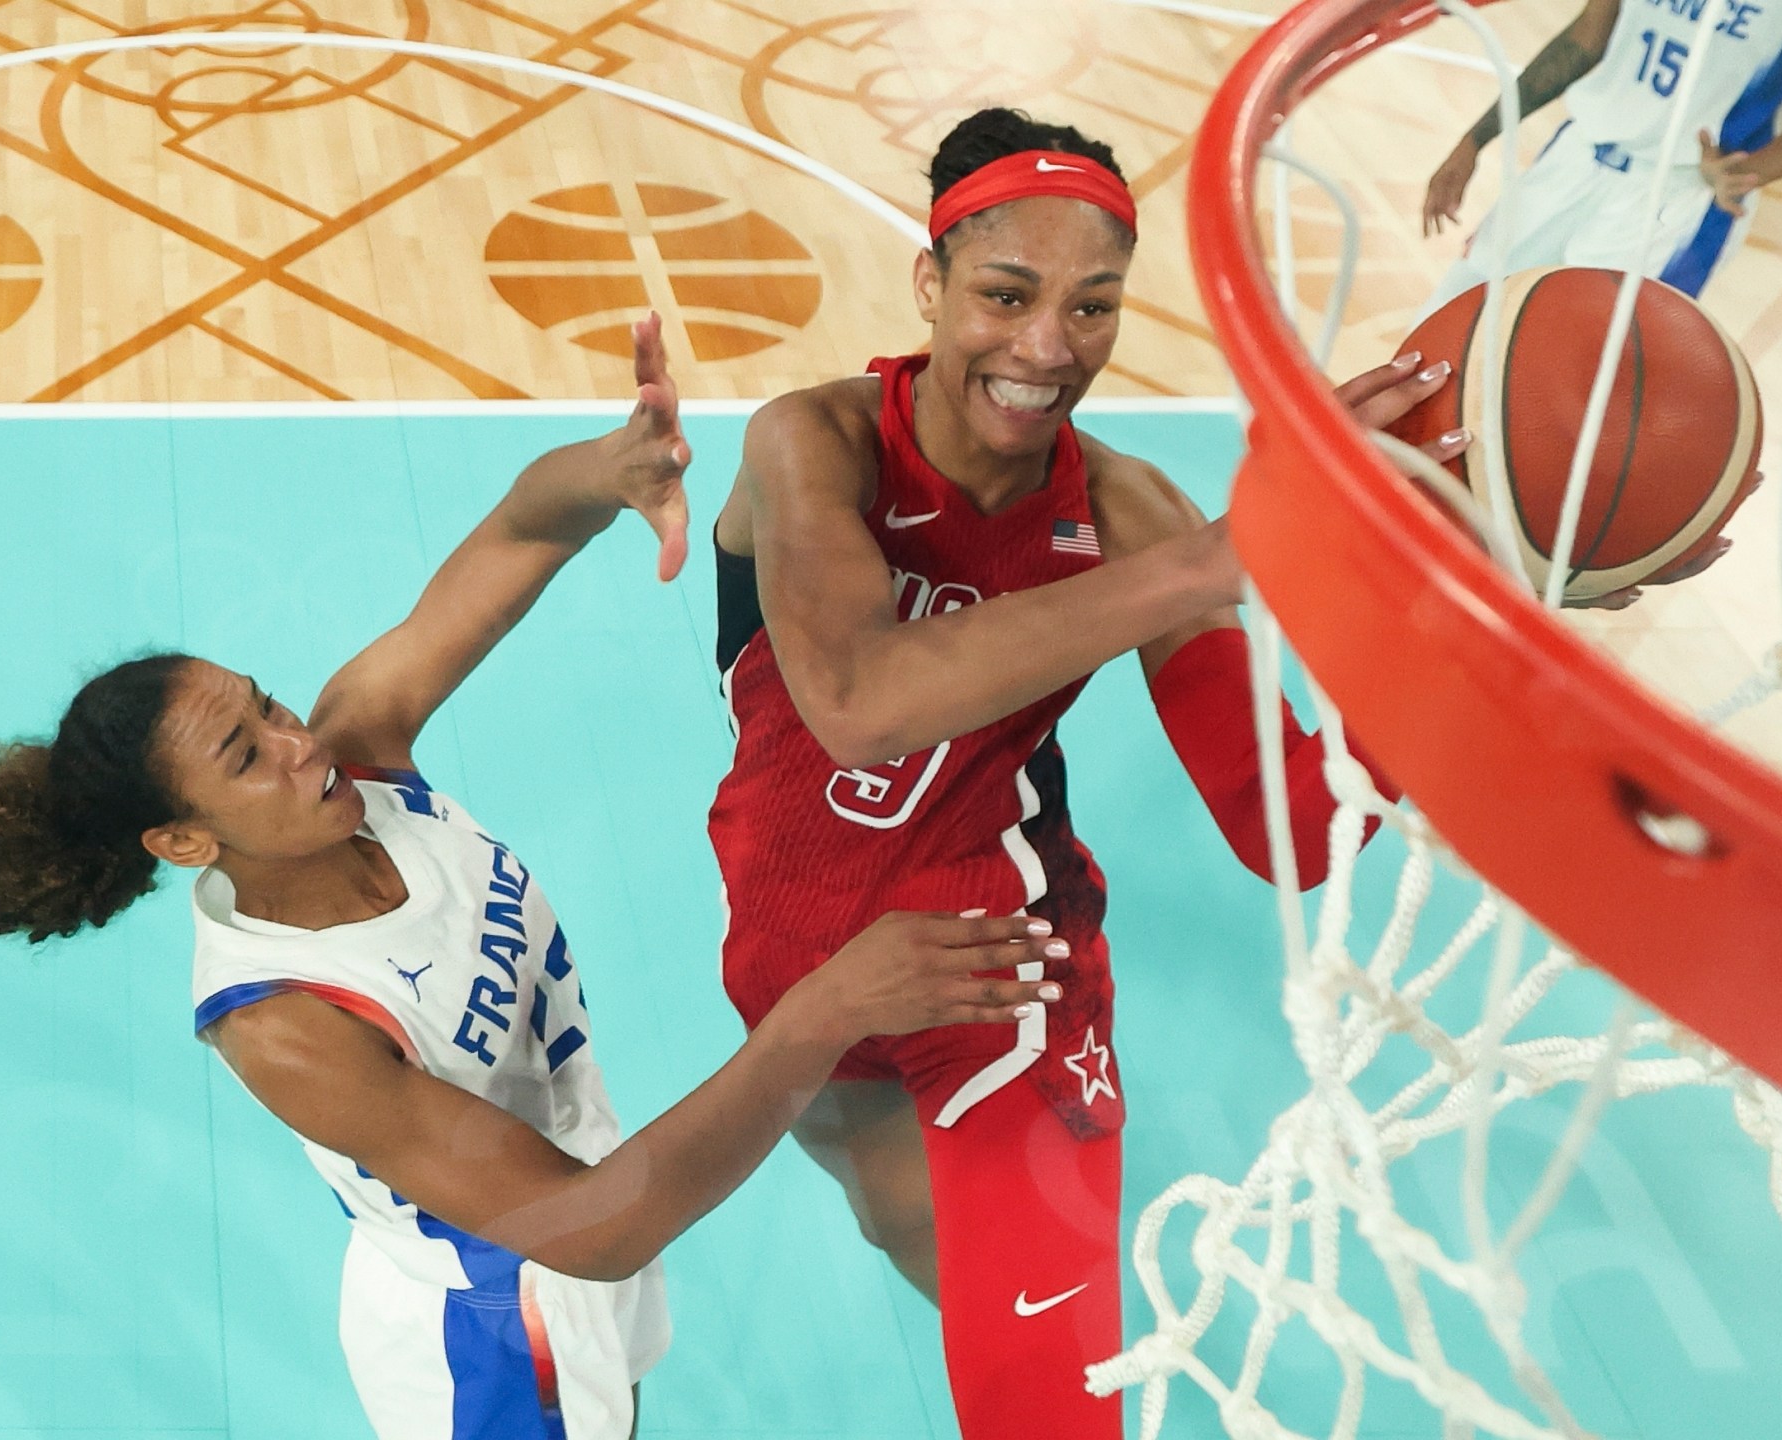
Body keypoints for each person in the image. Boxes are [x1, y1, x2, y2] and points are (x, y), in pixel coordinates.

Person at [703, 106, 1724, 1437]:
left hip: (1011, 975)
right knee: (910, 1236)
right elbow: (852, 703)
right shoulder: (811, 445)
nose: (1047, 349)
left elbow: (1290, 825)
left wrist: (1469, 607)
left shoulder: (1128, 515)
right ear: (932, 284)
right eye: (1007, 295)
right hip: (793, 957)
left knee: (1052, 1403)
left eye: (1094, 307)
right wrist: (1215, 557)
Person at [0, 316, 1061, 1440]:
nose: (295, 742)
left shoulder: (359, 746)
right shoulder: (286, 1026)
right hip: (498, 1335)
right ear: (182, 842)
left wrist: (608, 471)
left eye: (266, 705)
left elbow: (516, 535)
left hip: (595, 1217)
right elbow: (581, 1226)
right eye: (246, 756)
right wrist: (829, 1010)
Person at [1420, 0, 1782, 304]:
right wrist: (1475, 139)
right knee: (1457, 307)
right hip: (1576, 154)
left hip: (1677, 196)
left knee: (1579, 367)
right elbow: (1584, 40)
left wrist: (1750, 173)